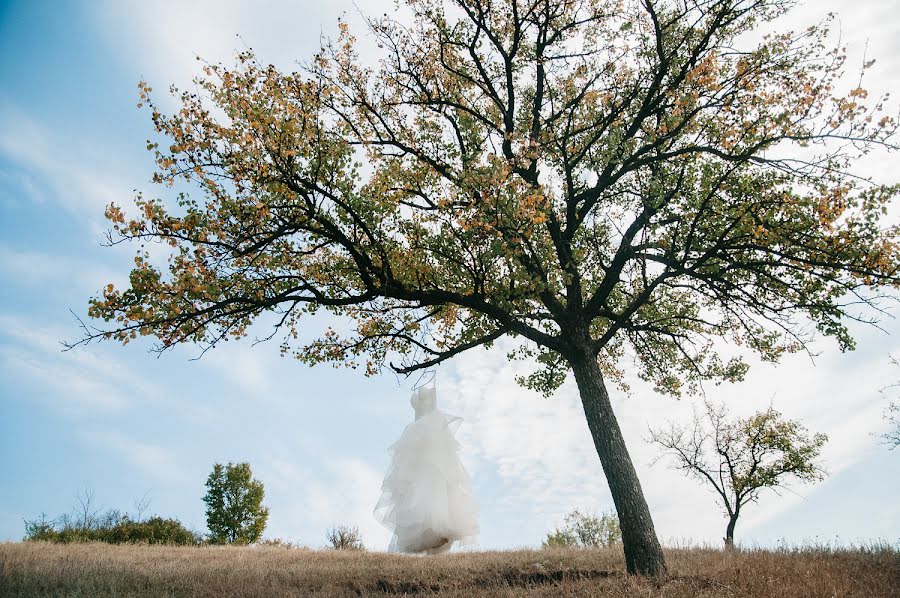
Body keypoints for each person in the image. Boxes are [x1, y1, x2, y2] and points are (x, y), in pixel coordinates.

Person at [374, 385, 479, 554]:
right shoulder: (417, 426)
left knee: (436, 490)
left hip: (433, 452)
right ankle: (426, 534)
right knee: (420, 493)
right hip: (422, 452)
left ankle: (437, 532)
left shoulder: (434, 417)